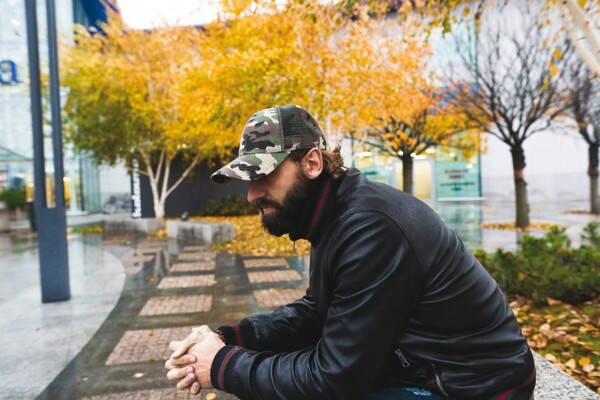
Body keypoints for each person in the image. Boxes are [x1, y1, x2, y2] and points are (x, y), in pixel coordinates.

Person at [165, 104, 536, 400]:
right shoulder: (333, 213)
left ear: (312, 163)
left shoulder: (370, 228)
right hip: (425, 368)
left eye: (263, 175)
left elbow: (334, 380)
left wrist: (222, 366)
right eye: (248, 180)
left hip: (478, 386)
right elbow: (318, 310)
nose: (251, 195)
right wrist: (232, 339)